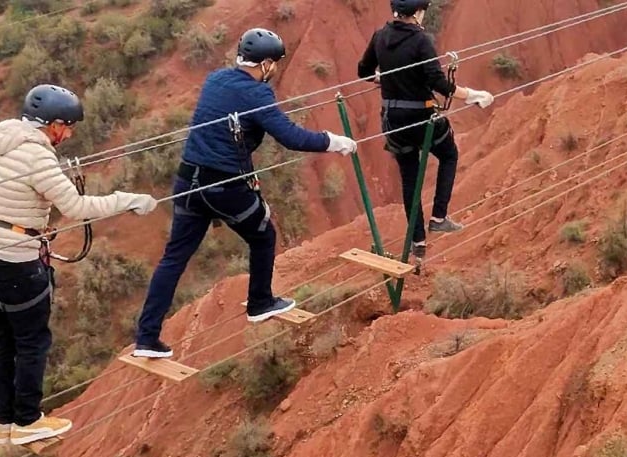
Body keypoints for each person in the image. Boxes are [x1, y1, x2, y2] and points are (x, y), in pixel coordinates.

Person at [132, 28, 358, 360]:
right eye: (275, 64)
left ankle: (146, 338)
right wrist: (334, 142)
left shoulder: (215, 79)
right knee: (263, 235)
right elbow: (290, 137)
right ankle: (260, 303)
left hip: (188, 180)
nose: (275, 69)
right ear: (265, 63)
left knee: (173, 259)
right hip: (224, 185)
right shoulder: (257, 94)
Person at [0, 84, 158, 447]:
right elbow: (76, 208)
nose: (68, 134)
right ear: (52, 124)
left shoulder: (0, 138)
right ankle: (26, 421)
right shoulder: (38, 157)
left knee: (1, 338)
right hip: (15, 260)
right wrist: (128, 200)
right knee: (32, 341)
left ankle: (5, 422)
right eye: (66, 126)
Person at [358, 0, 494, 267]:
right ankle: (439, 217)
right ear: (418, 12)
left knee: (410, 179)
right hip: (421, 116)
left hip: (393, 120)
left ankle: (418, 244)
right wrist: (472, 95)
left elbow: (363, 72)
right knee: (449, 154)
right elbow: (438, 82)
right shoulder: (421, 40)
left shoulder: (380, 36)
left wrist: (386, 79)